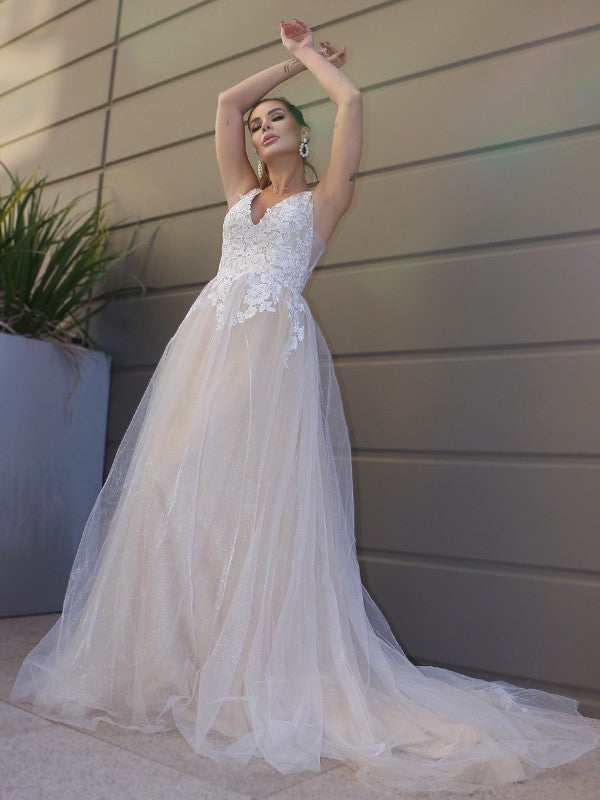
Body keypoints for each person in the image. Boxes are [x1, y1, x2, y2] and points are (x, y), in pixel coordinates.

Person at [10, 17, 599, 796]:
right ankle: (185, 662)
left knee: (250, 504)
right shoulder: (240, 192)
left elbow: (350, 102)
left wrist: (312, 60)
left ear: (302, 135)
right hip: (205, 351)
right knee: (171, 487)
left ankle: (249, 668)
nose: (261, 127)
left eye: (277, 120)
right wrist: (282, 70)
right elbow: (225, 103)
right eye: (258, 125)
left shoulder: (324, 200)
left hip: (267, 362)